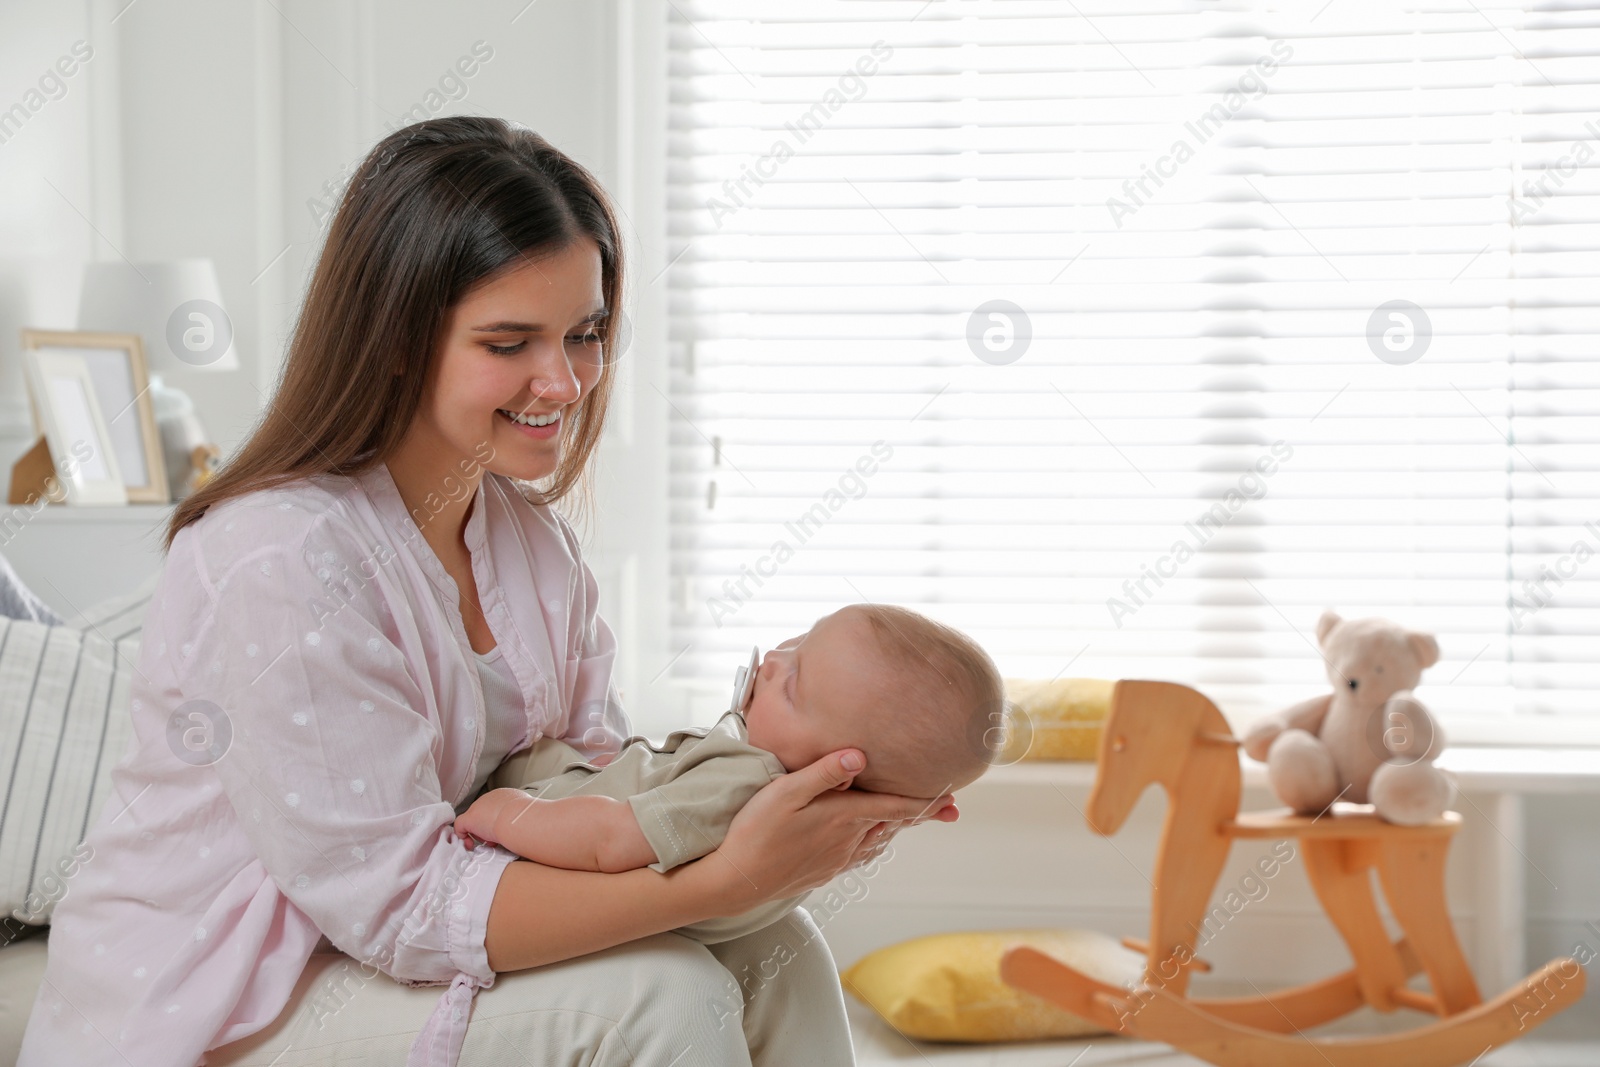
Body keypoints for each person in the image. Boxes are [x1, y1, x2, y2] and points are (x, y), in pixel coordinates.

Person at [16, 116, 959, 1067]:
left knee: (779, 948)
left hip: (373, 947)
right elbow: (403, 906)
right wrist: (708, 885)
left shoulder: (531, 544)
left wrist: (796, 802)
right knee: (663, 997)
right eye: (510, 341)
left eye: (585, 333)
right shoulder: (281, 558)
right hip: (228, 993)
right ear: (393, 339)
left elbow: (596, 788)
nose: (563, 380)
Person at [455, 603, 1003, 943]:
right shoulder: (815, 830)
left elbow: (608, 841)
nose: (772, 662)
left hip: (538, 851)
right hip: (597, 835)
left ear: (838, 770)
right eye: (799, 642)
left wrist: (504, 813)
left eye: (792, 686)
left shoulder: (744, 780)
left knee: (532, 760)